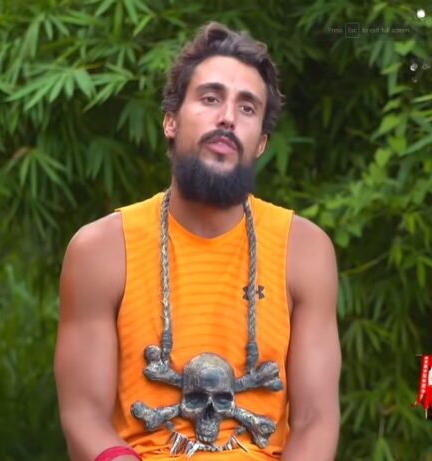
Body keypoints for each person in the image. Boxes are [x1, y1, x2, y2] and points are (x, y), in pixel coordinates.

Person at [55, 22, 340, 461]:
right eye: (210, 98)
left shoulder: (304, 251)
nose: (228, 117)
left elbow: (316, 420)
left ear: (261, 143)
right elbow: (83, 416)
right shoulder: (101, 250)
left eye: (247, 108)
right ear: (170, 120)